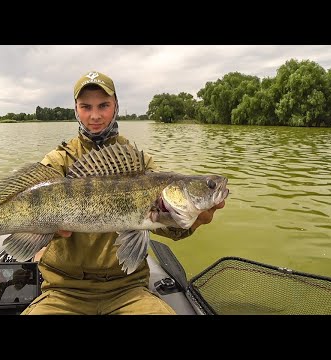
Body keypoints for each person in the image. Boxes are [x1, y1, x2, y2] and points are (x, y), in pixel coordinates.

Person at [21, 70, 226, 315]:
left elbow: (170, 229)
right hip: (64, 289)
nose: (95, 115)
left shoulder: (141, 164)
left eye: (104, 105)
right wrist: (48, 231)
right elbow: (25, 212)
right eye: (86, 106)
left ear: (116, 105)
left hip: (127, 288)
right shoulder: (58, 162)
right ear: (75, 109)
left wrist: (193, 222)